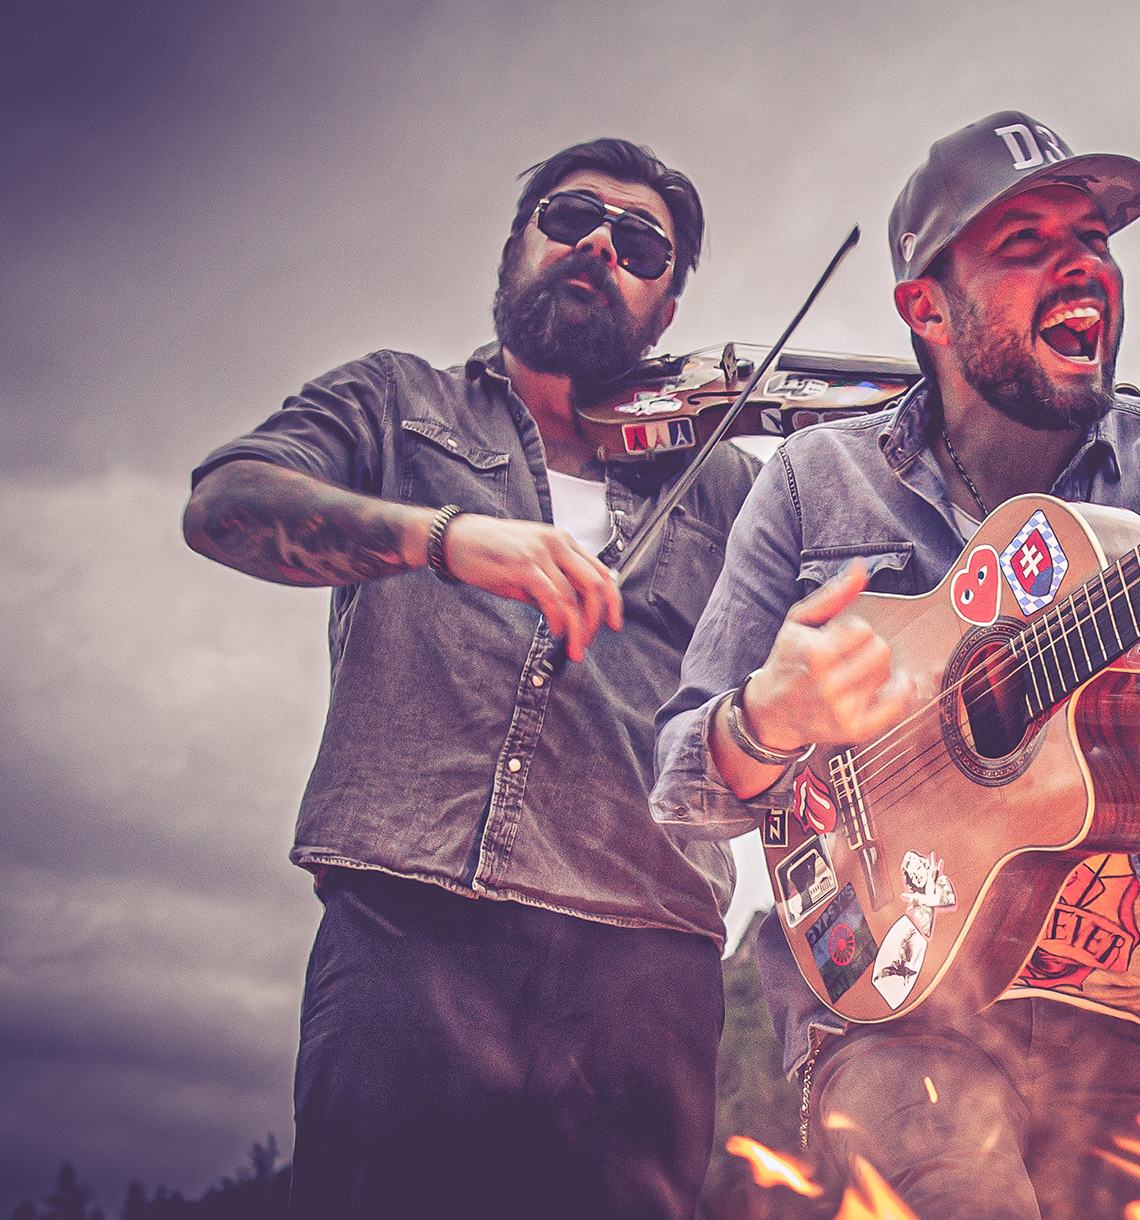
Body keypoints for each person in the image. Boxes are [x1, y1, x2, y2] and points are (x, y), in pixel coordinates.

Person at [652, 111, 1140, 1220]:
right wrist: (767, 720)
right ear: (926, 307)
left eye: (1094, 238)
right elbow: (684, 785)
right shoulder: (813, 481)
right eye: (1027, 242)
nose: (1083, 265)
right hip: (895, 1018)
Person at [183, 138, 757, 1219]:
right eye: (571, 216)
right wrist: (444, 537)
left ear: (668, 309)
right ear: (514, 248)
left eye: (641, 244)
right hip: (409, 929)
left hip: (646, 965)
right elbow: (225, 503)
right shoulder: (395, 399)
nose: (600, 244)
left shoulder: (728, 480)